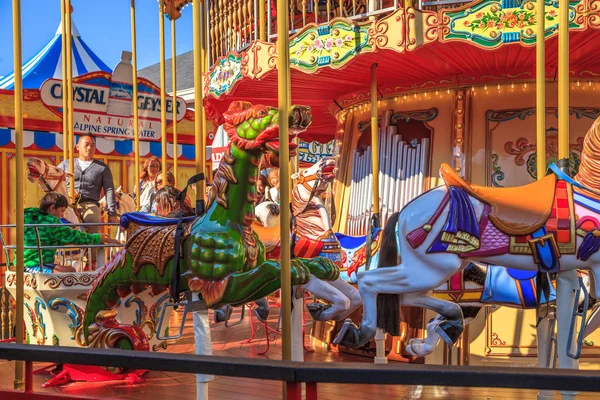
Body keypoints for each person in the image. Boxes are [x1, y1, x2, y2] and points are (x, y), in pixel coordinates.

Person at [23, 193, 119, 273]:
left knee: (67, 268)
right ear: (52, 208)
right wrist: (99, 238)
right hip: (36, 265)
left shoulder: (29, 216)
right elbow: (73, 237)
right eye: (61, 211)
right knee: (70, 271)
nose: (62, 215)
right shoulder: (52, 222)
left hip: (23, 263)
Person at [59, 133, 119, 230]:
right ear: (78, 147)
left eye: (92, 145)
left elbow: (109, 190)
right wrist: (68, 190)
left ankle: (97, 244)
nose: (89, 148)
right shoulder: (66, 164)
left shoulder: (102, 168)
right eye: (86, 145)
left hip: (89, 204)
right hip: (66, 203)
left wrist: (112, 212)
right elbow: (56, 181)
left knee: (93, 224)